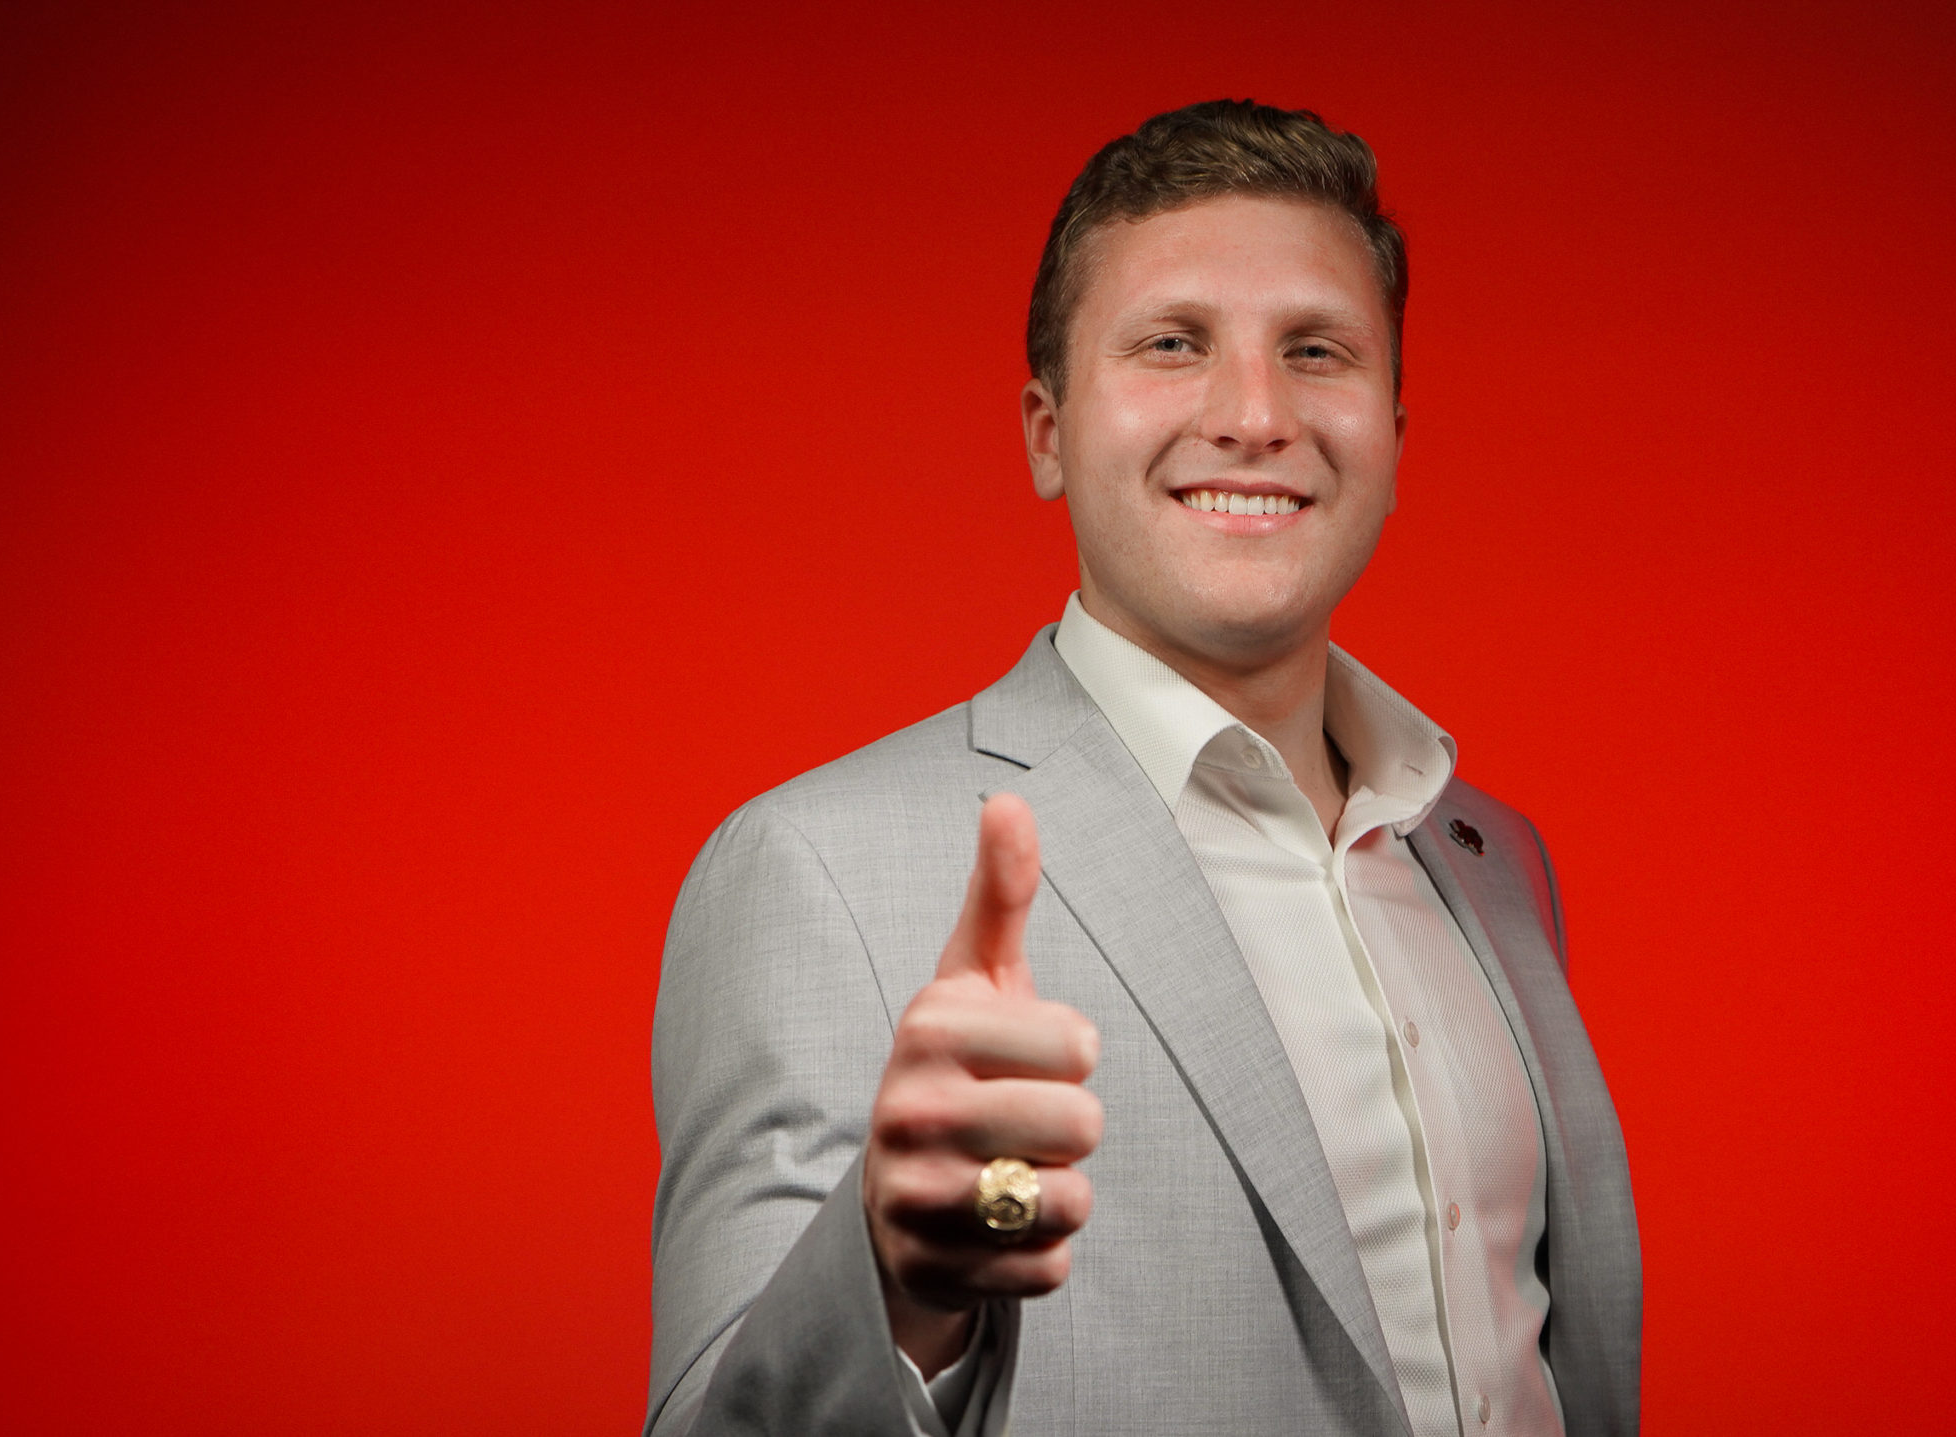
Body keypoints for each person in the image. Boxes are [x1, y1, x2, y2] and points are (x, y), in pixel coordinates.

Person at [647, 99, 1640, 1437]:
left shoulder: (1491, 855)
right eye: (1173, 343)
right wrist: (899, 1289)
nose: (1254, 413)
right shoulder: (813, 870)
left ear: (1394, 435)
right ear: (1047, 434)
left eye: (1317, 349)